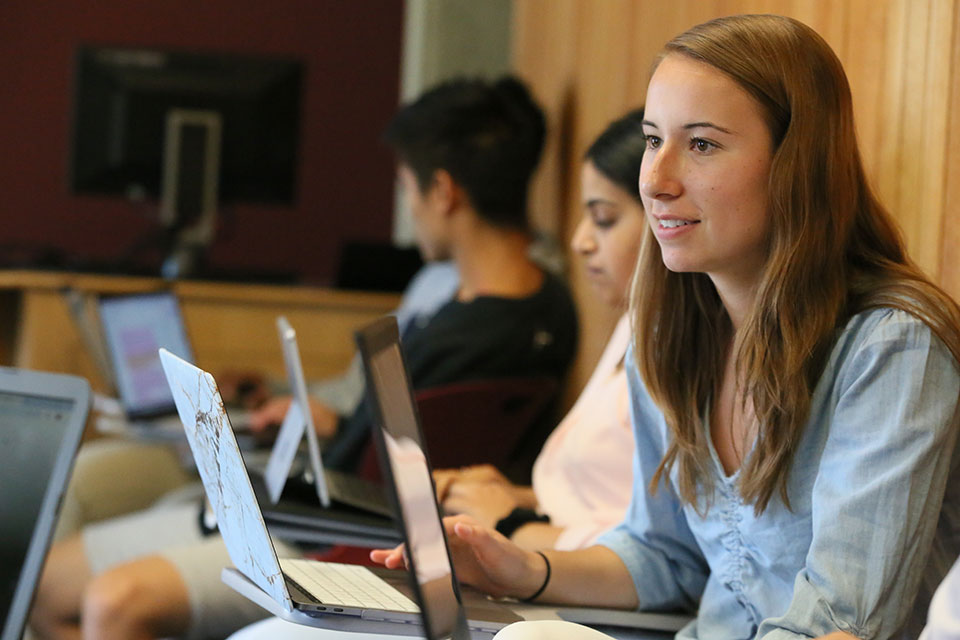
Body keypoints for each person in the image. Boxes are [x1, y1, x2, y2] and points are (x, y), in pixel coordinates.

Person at [373, 15, 960, 640]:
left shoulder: (893, 347)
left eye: (701, 144)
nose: (655, 180)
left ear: (797, 165)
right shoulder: (668, 335)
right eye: (654, 140)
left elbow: (841, 624)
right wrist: (523, 569)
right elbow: (666, 555)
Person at [30, 75, 579, 640]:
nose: (408, 208)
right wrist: (331, 423)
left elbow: (384, 480)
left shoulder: (459, 336)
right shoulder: (546, 311)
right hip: (338, 521)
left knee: (65, 592)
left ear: (442, 192)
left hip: (332, 540)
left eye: (406, 189)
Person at [435, 108, 646, 552]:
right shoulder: (634, 322)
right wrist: (512, 497)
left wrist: (510, 521)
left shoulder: (686, 356)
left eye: (604, 219)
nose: (579, 240)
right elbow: (602, 504)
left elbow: (657, 558)